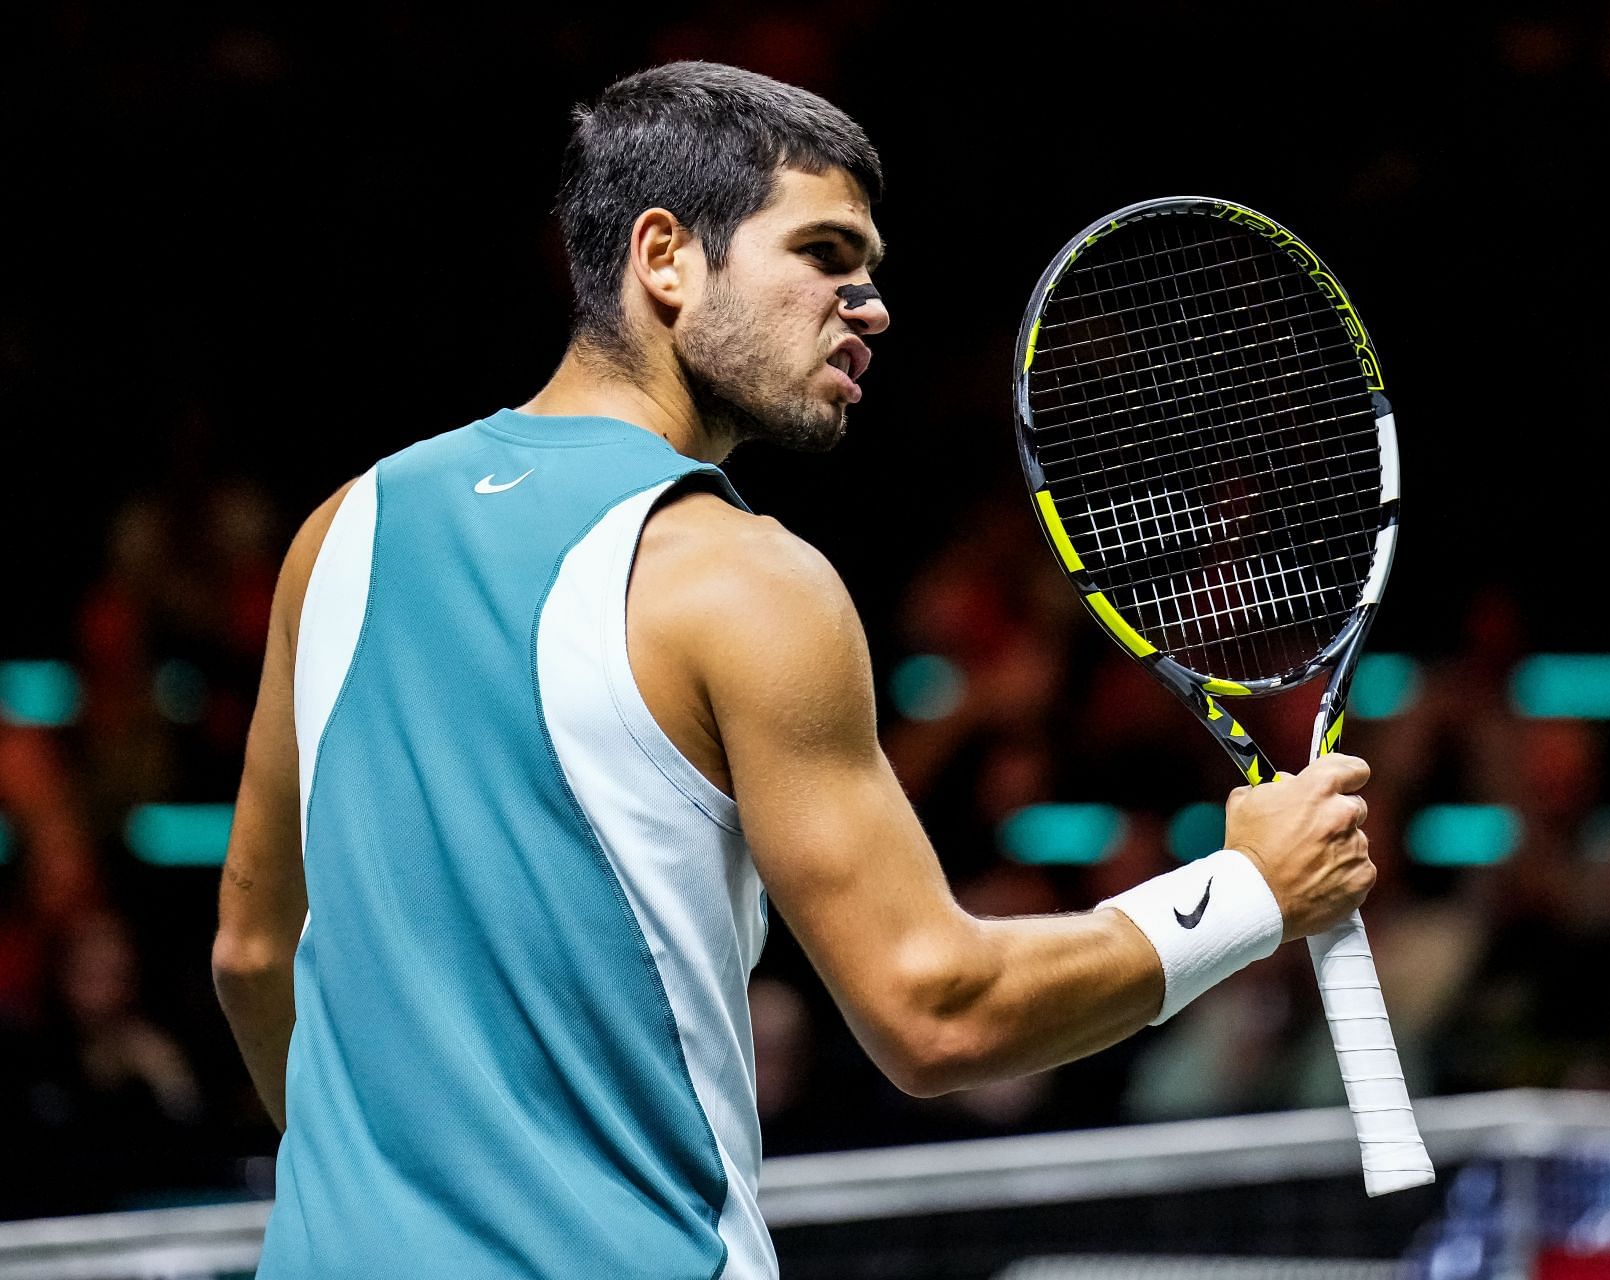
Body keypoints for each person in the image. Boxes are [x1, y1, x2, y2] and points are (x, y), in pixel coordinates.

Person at [211, 60, 1377, 1278]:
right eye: (823, 254)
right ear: (664, 256)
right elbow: (937, 1004)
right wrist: (1250, 892)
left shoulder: (342, 529)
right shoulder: (742, 578)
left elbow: (249, 953)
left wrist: (392, 1188)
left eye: (870, 267)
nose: (868, 304)